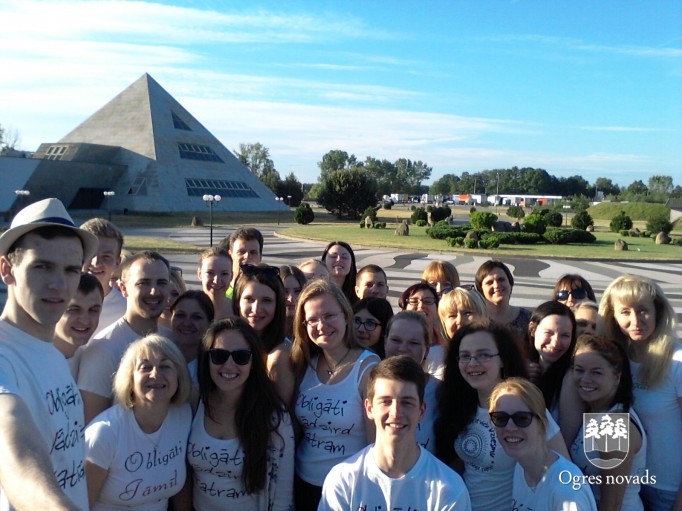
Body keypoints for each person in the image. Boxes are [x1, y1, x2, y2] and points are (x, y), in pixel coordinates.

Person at [0, 197, 98, 510]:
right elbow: (13, 441)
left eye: (71, 270)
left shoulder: (51, 351)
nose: (59, 285)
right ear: (7, 269)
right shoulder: (5, 358)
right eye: (42, 267)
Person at [435, 321, 568, 511]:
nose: (473, 363)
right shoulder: (458, 406)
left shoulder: (524, 407)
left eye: (483, 355)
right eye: (465, 356)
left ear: (503, 359)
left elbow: (565, 469)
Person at [319, 356, 471, 511]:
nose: (396, 412)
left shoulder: (449, 489)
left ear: (421, 410)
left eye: (407, 402)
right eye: (386, 401)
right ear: (369, 409)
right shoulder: (343, 480)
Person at [184, 318, 294, 511]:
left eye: (241, 357)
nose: (229, 365)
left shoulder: (274, 416)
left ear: (253, 362)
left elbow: (283, 494)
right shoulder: (194, 403)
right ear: (207, 359)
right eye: (219, 355)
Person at [291, 279, 380, 510]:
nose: (321, 325)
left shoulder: (368, 367)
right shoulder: (304, 364)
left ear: (346, 316)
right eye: (312, 319)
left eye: (329, 315)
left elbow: (376, 444)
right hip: (303, 483)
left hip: (349, 490)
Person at [599, 275, 682, 511]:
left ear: (657, 312)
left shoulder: (677, 361)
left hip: (669, 492)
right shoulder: (615, 359)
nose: (636, 321)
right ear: (612, 316)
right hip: (630, 487)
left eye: (643, 310)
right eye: (625, 312)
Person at [84, 334, 192, 510]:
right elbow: (80, 503)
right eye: (145, 367)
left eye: (165, 366)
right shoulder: (104, 433)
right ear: (130, 379)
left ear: (179, 376)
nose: (155, 374)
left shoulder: (183, 417)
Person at [78, 250, 171, 424]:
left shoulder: (172, 340)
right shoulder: (103, 350)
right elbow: (91, 426)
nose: (154, 291)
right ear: (123, 288)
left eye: (161, 283)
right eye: (143, 283)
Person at [489, 378, 597, 511]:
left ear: (542, 424)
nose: (510, 427)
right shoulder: (521, 468)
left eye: (522, 418)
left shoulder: (566, 490)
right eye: (500, 418)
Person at [570, 334, 646, 510]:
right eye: (579, 370)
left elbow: (611, 505)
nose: (585, 379)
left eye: (596, 372)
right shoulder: (593, 410)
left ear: (617, 378)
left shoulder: (613, 427)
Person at [233, 263, 296, 408]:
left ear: (278, 305)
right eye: (249, 299)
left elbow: (280, 413)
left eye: (266, 301)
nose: (256, 309)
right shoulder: (229, 344)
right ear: (237, 302)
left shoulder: (280, 356)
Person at [383, 311, 439, 453]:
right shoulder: (366, 385)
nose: (402, 349)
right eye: (396, 340)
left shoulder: (441, 392)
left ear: (427, 349)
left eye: (413, 343)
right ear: (385, 342)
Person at [81, 217, 127, 335]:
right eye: (91, 254)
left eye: (106, 256)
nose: (96, 263)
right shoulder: (58, 302)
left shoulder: (125, 309)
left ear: (117, 262)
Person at [54, 272, 104, 377]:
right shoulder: (30, 363)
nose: (84, 320)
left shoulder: (91, 360)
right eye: (73, 309)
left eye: (93, 310)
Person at [474, 259, 530, 342]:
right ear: (480, 289)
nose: (496, 285)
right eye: (490, 282)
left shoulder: (528, 318)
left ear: (510, 283)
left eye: (501, 279)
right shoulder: (475, 321)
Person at [399, 282, 446, 378]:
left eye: (428, 301)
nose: (421, 306)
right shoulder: (396, 343)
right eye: (414, 301)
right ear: (404, 308)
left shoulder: (447, 343)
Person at [171, 290, 214, 386]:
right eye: (180, 315)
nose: (187, 323)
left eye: (196, 317)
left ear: (210, 323)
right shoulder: (158, 356)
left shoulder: (215, 366)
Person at [220, 227, 264, 298]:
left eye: (253, 252)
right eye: (241, 252)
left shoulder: (268, 294)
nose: (247, 256)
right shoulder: (220, 293)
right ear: (230, 255)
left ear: (260, 257)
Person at [197, 246, 233, 320]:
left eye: (224, 274)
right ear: (199, 274)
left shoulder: (238, 309)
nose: (216, 281)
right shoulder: (188, 308)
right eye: (210, 273)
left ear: (231, 276)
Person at [321, 241, 358, 305]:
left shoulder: (359, 294)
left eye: (344, 257)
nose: (339, 259)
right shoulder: (316, 291)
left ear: (351, 263)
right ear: (324, 261)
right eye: (333, 256)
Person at [279, 264, 307, 339]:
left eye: (297, 291)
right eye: (285, 291)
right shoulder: (264, 326)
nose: (291, 298)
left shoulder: (310, 327)